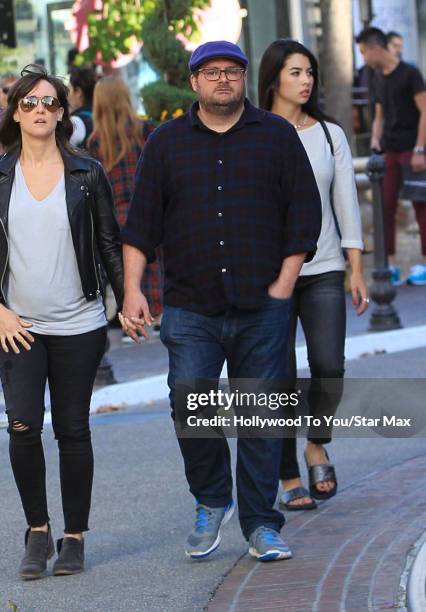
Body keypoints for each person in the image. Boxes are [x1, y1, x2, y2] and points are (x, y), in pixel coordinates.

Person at [120, 41, 322, 562]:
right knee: (189, 405)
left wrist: (283, 285)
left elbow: (304, 215)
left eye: (232, 71)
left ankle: (260, 525)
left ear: (245, 79)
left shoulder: (275, 135)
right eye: (212, 72)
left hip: (263, 304)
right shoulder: (165, 143)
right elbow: (140, 225)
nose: (223, 80)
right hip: (190, 306)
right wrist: (132, 290)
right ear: (194, 83)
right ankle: (212, 498)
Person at [0, 64, 124, 579]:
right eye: (28, 102)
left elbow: (107, 243)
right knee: (23, 426)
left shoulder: (86, 173)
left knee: (73, 430)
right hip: (17, 326)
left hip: (80, 323)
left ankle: (73, 535)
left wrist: (129, 296)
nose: (39, 110)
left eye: (49, 103)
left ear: (62, 113)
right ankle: (37, 529)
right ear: (14, 111)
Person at [258, 39, 369, 511]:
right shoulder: (254, 133)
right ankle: (286, 472)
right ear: (274, 79)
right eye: (296, 72)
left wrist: (356, 266)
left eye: (310, 73)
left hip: (324, 267)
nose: (306, 81)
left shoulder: (329, 134)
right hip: (268, 276)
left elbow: (346, 200)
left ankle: (316, 442)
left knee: (329, 365)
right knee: (276, 376)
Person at [87, 76, 163, 324]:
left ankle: (128, 313)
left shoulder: (96, 141)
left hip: (116, 216)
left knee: (121, 270)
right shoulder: (146, 130)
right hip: (148, 210)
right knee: (152, 266)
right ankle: (155, 312)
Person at [356, 27, 426, 286]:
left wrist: (420, 149)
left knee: (422, 207)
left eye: (363, 52)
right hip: (389, 151)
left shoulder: (410, 73)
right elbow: (380, 114)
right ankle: (391, 266)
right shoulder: (376, 77)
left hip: (412, 150)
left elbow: (425, 112)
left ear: (375, 48)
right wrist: (375, 139)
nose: (363, 58)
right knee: (384, 207)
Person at [68, 66, 96, 148]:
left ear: (78, 92)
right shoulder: (103, 114)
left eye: (70, 90)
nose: (68, 95)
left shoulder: (76, 122)